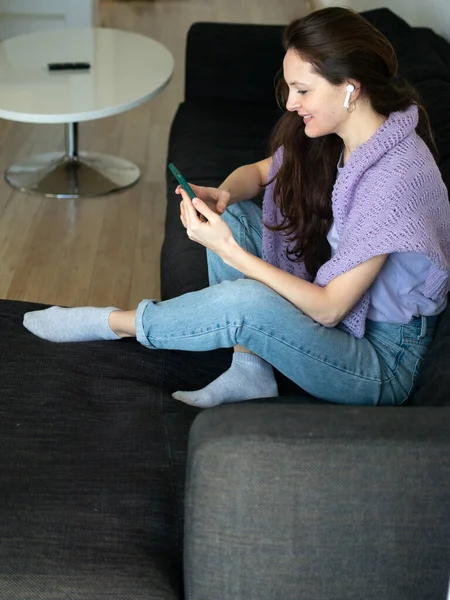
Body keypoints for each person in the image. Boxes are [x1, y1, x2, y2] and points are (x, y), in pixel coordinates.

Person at [23, 7, 450, 407]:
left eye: (302, 90)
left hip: (381, 361)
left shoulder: (395, 178)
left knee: (247, 301)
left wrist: (232, 253)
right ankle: (250, 369)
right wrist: (223, 195)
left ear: (350, 89)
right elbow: (261, 172)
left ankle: (109, 324)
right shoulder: (350, 138)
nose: (290, 103)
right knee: (233, 216)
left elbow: (330, 307)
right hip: (345, 325)